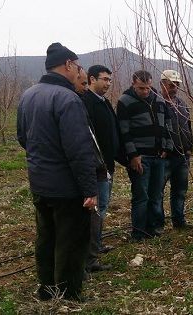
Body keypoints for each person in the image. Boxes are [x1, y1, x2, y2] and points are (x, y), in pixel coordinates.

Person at [16, 42, 97, 301]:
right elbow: (79, 149)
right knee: (71, 240)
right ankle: (69, 293)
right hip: (67, 186)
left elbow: (22, 137)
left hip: (40, 182)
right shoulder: (68, 98)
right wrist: (89, 189)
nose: (79, 72)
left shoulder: (29, 95)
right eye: (78, 66)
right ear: (69, 65)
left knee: (46, 237)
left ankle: (46, 288)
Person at [117, 70, 174, 241]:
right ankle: (138, 232)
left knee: (156, 195)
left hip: (159, 156)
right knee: (141, 196)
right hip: (141, 157)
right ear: (133, 83)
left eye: (148, 88)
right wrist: (133, 155)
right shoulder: (125, 101)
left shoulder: (159, 100)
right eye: (141, 88)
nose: (145, 91)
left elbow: (168, 124)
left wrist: (167, 147)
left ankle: (152, 227)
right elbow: (124, 132)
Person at [82, 65, 120, 272]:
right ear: (91, 79)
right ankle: (90, 258)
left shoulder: (104, 103)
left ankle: (95, 246)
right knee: (95, 211)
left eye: (109, 80)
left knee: (102, 209)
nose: (107, 83)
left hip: (107, 166)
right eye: (104, 79)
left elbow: (112, 134)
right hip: (96, 168)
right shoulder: (85, 102)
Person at [160, 69, 193, 229]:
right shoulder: (157, 103)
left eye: (176, 85)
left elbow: (188, 126)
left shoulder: (182, 104)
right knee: (158, 191)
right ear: (162, 85)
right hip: (165, 156)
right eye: (171, 85)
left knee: (180, 191)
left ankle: (179, 222)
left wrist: (189, 148)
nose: (174, 88)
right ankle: (157, 223)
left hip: (182, 155)